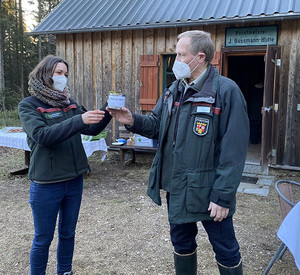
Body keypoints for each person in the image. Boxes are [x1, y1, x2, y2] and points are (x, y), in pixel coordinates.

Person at [107, 31, 249, 274]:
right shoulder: (174, 89)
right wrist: (132, 120)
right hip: (178, 185)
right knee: (181, 243)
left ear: (200, 57)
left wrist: (223, 196)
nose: (176, 61)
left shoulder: (226, 91)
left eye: (181, 55)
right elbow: (156, 124)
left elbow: (233, 150)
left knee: (225, 248)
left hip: (208, 190)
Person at [18, 55, 111, 275]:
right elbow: (42, 136)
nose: (63, 78)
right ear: (45, 74)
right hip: (46, 183)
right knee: (43, 238)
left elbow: (92, 129)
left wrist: (108, 110)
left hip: (74, 179)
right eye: (59, 73)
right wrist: (79, 120)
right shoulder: (28, 105)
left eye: (65, 74)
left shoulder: (70, 103)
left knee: (68, 234)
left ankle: (65, 272)